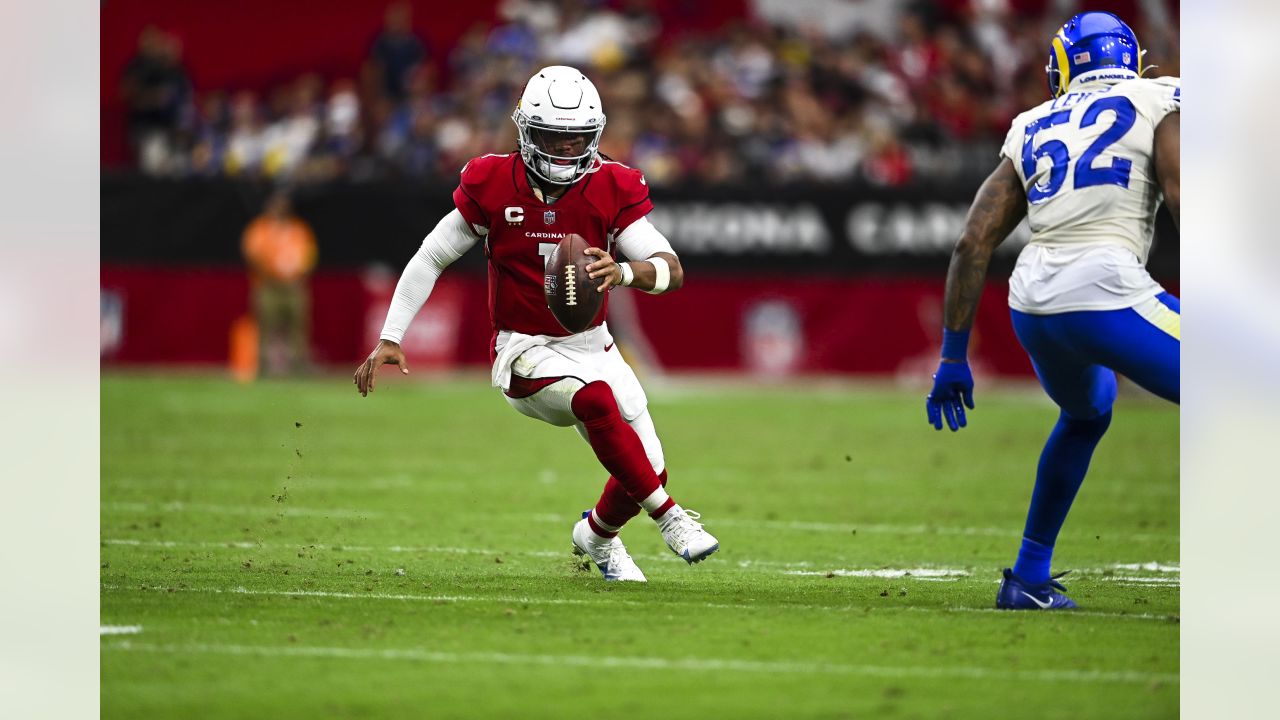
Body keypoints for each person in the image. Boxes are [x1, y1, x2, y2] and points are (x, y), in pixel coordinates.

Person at [354, 65, 719, 582]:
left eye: (578, 141)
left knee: (647, 470)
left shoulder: (611, 185)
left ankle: (595, 537)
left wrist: (626, 271)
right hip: (523, 350)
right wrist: (391, 336)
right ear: (527, 132)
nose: (567, 151)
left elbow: (672, 269)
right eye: (555, 138)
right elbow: (430, 256)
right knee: (596, 402)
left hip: (593, 344)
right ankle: (672, 518)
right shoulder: (493, 181)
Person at [925, 12, 1179, 610]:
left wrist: (953, 356)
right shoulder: (1162, 96)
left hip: (1033, 303)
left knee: (1089, 412)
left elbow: (972, 241)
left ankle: (1028, 578)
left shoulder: (1033, 121)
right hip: (1105, 288)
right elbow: (1182, 188)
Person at [242, 191, 318, 376]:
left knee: (298, 329)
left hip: (294, 287)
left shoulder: (298, 229)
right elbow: (253, 255)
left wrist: (299, 276)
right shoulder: (260, 228)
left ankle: (298, 367)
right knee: (266, 328)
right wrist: (271, 275)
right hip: (269, 286)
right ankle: (263, 368)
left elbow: (309, 255)